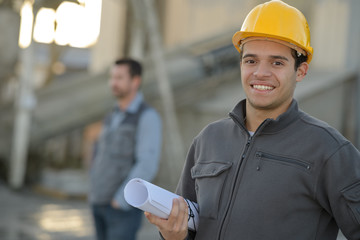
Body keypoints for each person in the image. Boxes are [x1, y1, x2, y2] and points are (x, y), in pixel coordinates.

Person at [145, 0, 360, 239]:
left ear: (301, 71)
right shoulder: (209, 139)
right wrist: (174, 235)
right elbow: (188, 227)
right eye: (251, 61)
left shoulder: (328, 149)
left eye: (277, 62)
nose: (260, 73)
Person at [89, 58, 162, 240]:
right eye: (112, 77)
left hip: (121, 210)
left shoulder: (147, 117)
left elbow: (147, 164)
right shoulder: (111, 115)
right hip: (98, 201)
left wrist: (120, 200)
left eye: (119, 78)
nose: (113, 83)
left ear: (135, 81)